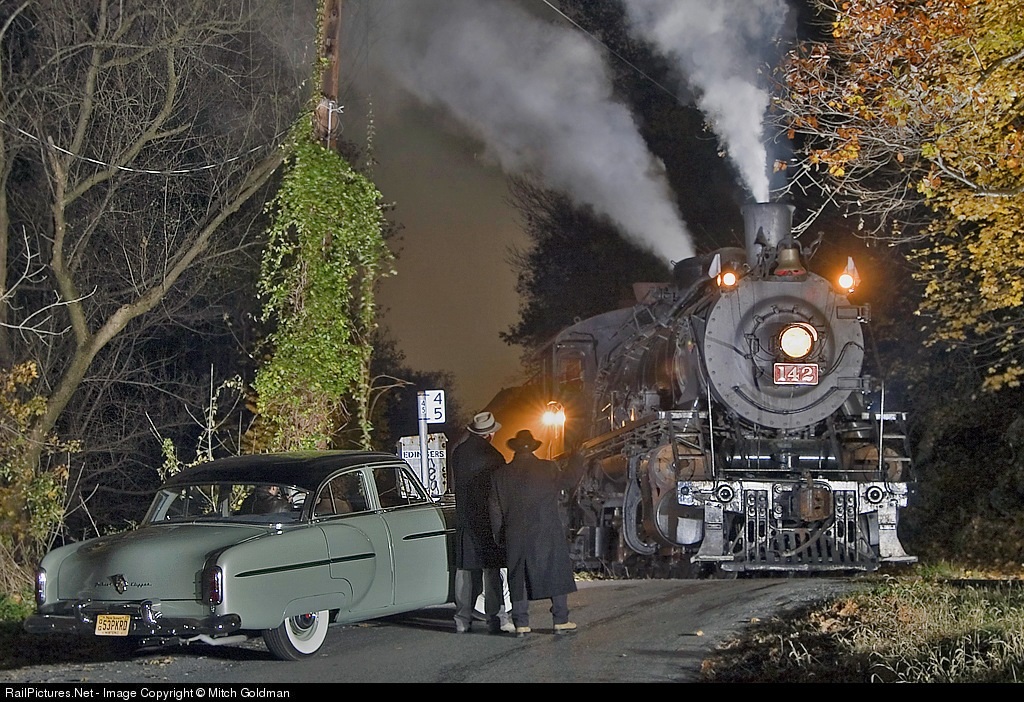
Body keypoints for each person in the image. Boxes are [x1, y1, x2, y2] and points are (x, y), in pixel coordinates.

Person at [489, 429, 578, 637]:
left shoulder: (500, 475)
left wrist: (500, 535)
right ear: (533, 448)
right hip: (546, 529)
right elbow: (568, 482)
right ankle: (560, 620)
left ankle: (521, 623)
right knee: (555, 571)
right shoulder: (548, 468)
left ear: (514, 450)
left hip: (515, 532)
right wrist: (577, 459)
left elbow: (494, 508)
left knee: (517, 576)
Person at [450, 411, 507, 634]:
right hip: (487, 520)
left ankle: (462, 618)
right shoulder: (494, 457)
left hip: (465, 519)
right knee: (491, 572)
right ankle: (495, 616)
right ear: (490, 434)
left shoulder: (458, 453)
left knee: (464, 571)